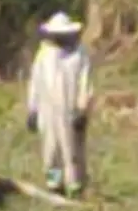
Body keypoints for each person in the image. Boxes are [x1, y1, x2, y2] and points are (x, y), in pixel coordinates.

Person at [26, 12, 93, 197]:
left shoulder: (80, 53)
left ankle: (75, 185)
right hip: (47, 111)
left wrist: (82, 109)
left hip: (71, 110)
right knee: (51, 151)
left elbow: (85, 84)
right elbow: (35, 82)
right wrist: (32, 109)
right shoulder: (44, 54)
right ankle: (54, 184)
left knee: (72, 151)